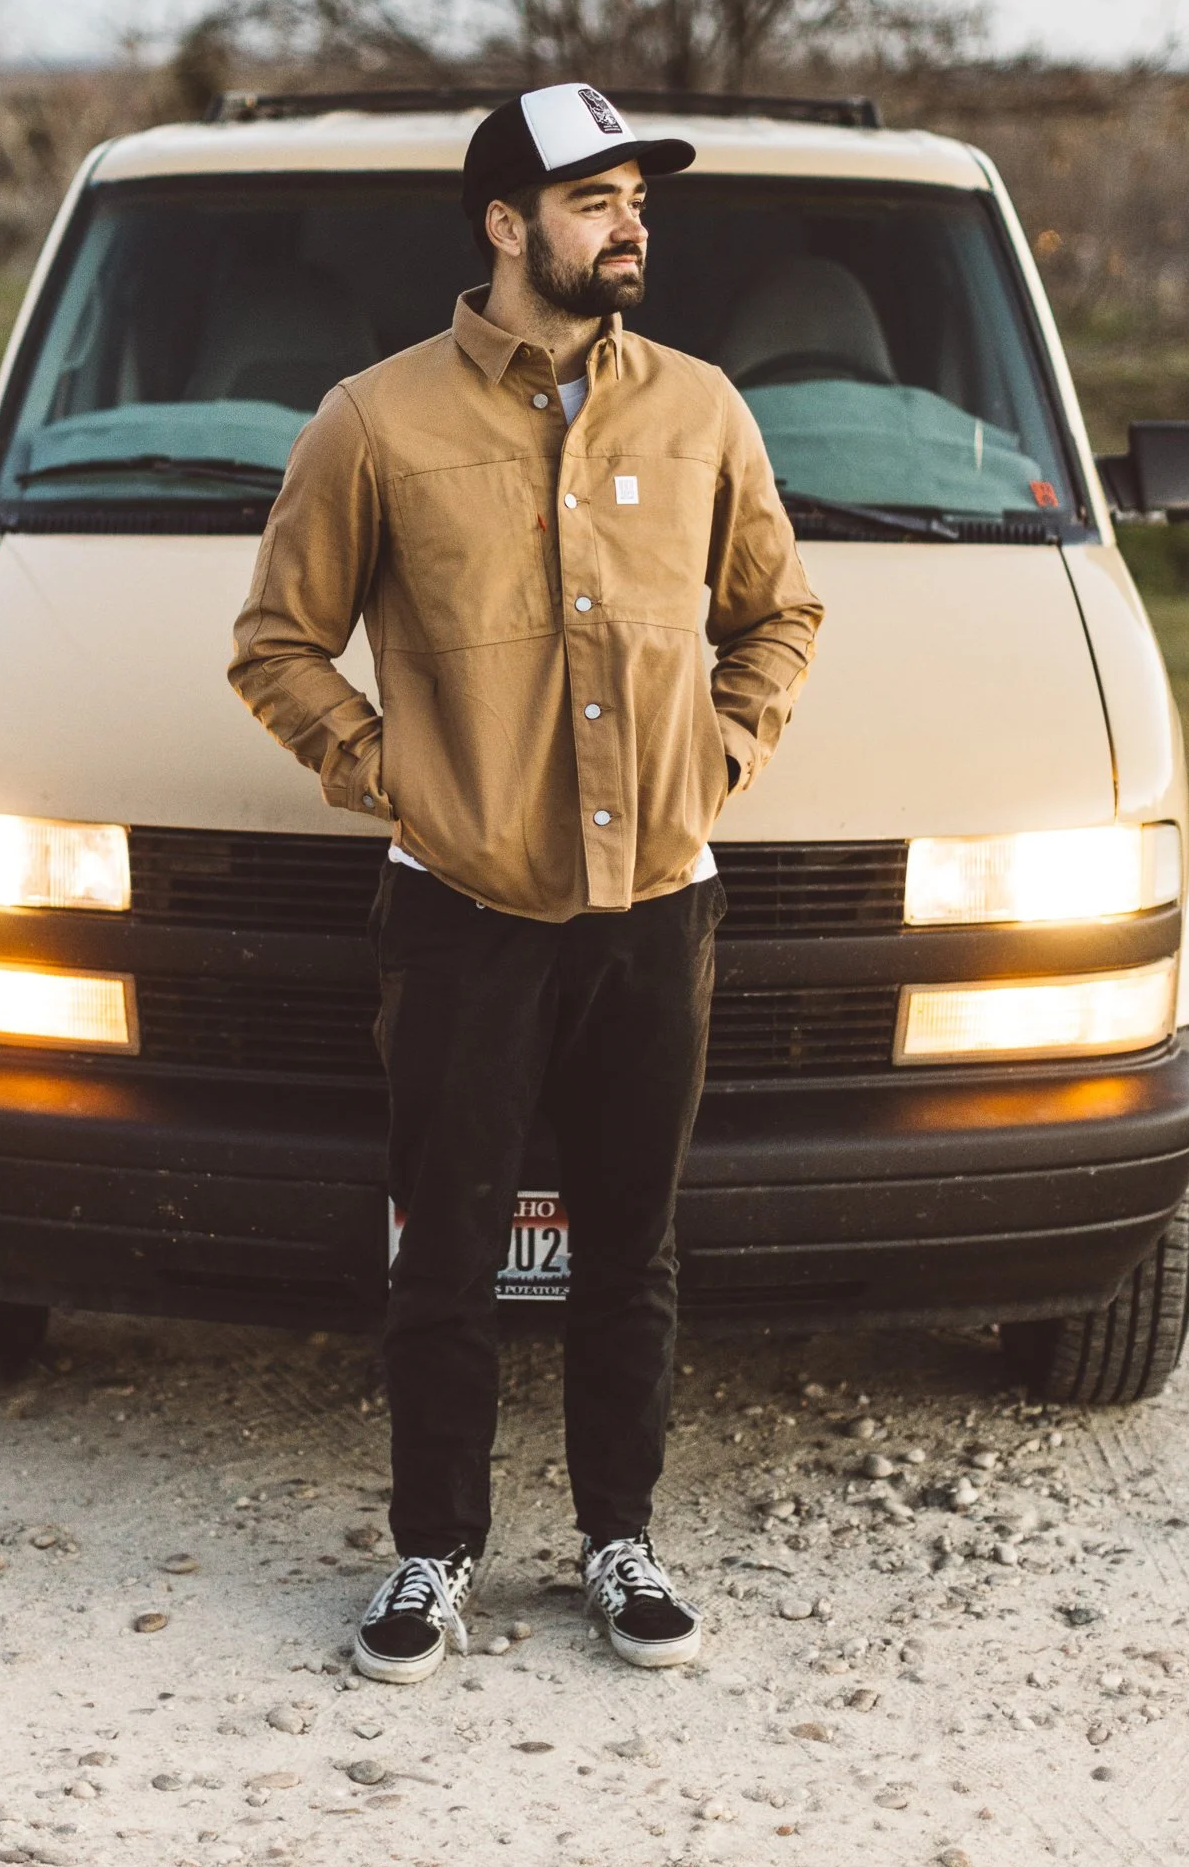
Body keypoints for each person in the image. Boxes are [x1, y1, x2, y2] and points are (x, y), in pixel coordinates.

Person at [230, 83, 822, 1682]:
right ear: (504, 225)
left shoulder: (700, 411)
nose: (630, 223)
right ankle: (431, 1556)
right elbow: (275, 646)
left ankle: (619, 1538)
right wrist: (393, 776)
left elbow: (778, 616)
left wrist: (720, 753)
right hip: (461, 910)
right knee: (447, 1247)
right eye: (592, 198)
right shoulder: (375, 423)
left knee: (633, 1244)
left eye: (640, 198)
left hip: (659, 903)